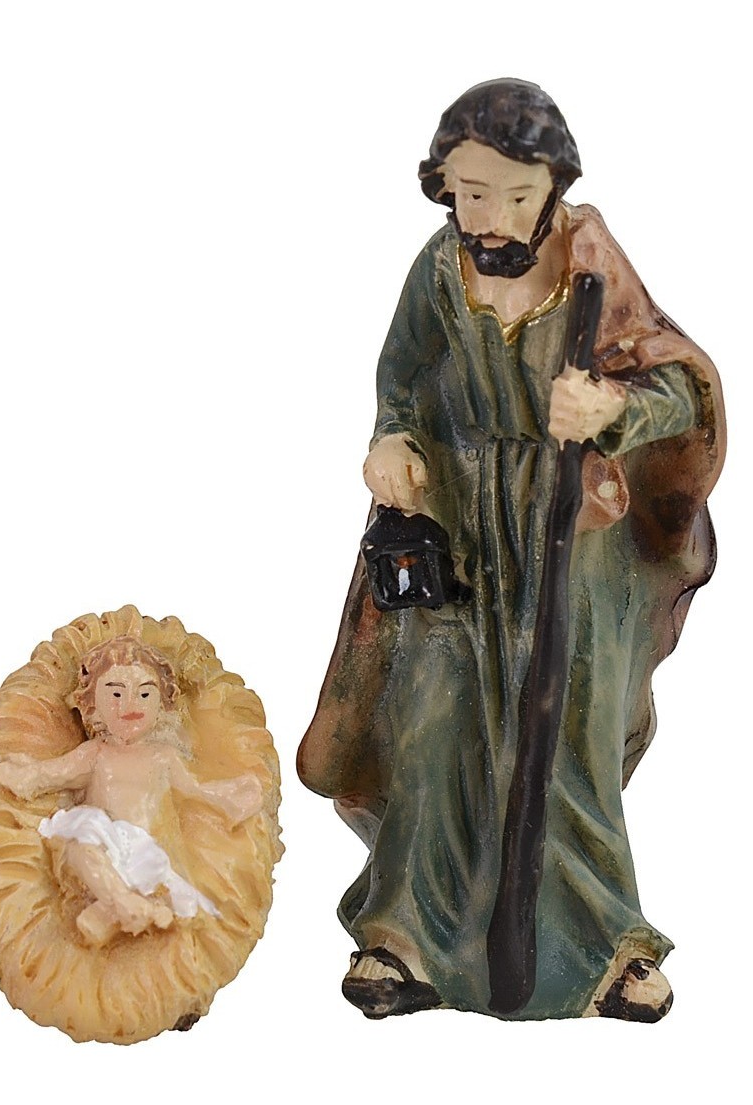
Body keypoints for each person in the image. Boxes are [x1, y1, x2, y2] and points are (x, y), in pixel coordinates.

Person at [298, 79, 724, 1021]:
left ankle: (608, 944)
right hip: (459, 525)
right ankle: (406, 936)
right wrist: (392, 437)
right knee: (433, 722)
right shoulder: (439, 268)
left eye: (516, 194)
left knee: (569, 732)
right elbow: (403, 372)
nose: (489, 215)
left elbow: (684, 389)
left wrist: (611, 408)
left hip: (572, 539)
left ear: (554, 187)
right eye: (470, 193)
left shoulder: (593, 268)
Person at [0, 636, 262, 946]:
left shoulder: (163, 756)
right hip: (105, 844)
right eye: (116, 694)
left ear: (161, 703)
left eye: (144, 693)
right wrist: (25, 775)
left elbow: (193, 790)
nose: (130, 706)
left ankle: (121, 906)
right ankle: (125, 904)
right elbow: (54, 774)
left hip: (145, 852)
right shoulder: (96, 753)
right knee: (81, 845)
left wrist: (230, 797)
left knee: (112, 906)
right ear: (93, 704)